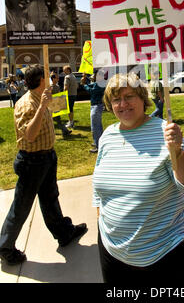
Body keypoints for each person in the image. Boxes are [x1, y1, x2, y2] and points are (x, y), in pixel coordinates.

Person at [93, 73, 184, 284]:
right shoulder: (107, 136)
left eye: (129, 96)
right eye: (116, 99)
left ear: (143, 98)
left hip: (164, 254)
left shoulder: (165, 132)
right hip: (112, 253)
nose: (122, 104)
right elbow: (98, 189)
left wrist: (177, 151)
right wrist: (102, 221)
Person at [0, 65, 87, 266]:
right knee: (21, 206)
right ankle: (5, 247)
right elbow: (29, 136)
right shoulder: (27, 104)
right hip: (32, 162)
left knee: (50, 198)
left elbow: (51, 114)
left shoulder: (42, 98)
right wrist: (41, 107)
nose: (51, 78)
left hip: (47, 158)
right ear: (40, 80)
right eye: (47, 76)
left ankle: (64, 233)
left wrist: (53, 103)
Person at [81, 71, 105, 153]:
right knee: (98, 126)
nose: (93, 76)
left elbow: (91, 90)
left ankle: (98, 146)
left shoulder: (100, 84)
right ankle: (99, 143)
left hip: (96, 106)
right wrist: (85, 78)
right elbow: (91, 85)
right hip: (97, 106)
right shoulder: (99, 83)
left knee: (95, 127)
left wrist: (84, 84)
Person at [50, 72, 72, 139]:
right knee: (56, 120)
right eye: (57, 78)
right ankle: (65, 131)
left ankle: (64, 131)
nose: (58, 79)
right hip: (52, 106)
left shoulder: (57, 86)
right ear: (53, 79)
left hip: (56, 106)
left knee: (57, 120)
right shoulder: (50, 87)